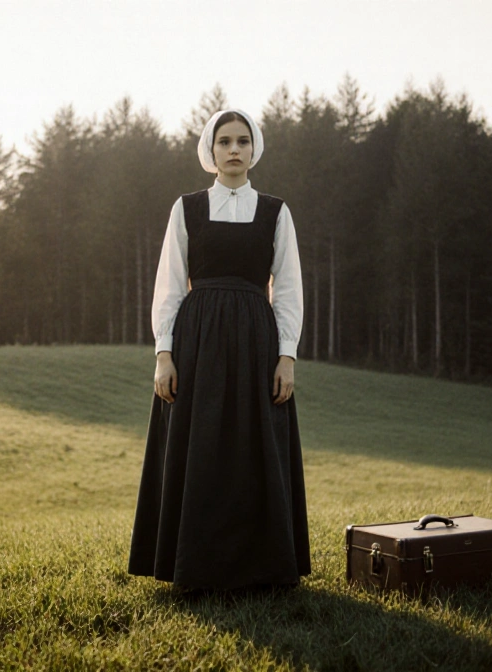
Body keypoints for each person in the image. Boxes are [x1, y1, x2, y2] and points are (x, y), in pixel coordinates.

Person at [128, 108, 310, 591]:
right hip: (198, 340)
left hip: (256, 341)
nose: (234, 149)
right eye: (225, 141)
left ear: (254, 149)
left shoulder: (275, 211)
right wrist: (163, 353)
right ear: (210, 150)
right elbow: (169, 283)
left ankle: (261, 569)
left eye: (242, 141)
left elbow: (288, 288)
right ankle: (193, 566)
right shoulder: (186, 208)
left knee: (254, 451)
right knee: (200, 448)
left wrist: (286, 356)